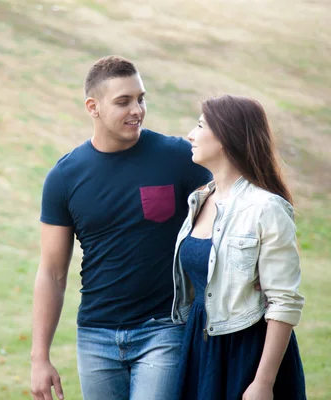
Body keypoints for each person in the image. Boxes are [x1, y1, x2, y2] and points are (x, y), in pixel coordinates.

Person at [30, 55, 212, 400]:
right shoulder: (65, 178)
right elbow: (52, 272)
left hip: (164, 330)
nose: (137, 110)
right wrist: (40, 358)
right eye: (123, 101)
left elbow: (230, 205)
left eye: (141, 98)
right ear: (92, 107)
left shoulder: (178, 158)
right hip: (95, 337)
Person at [172, 95, 306, 399]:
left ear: (225, 138)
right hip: (200, 346)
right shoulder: (200, 199)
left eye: (199, 125)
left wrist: (264, 382)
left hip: (247, 353)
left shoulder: (266, 208)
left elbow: (283, 301)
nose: (191, 135)